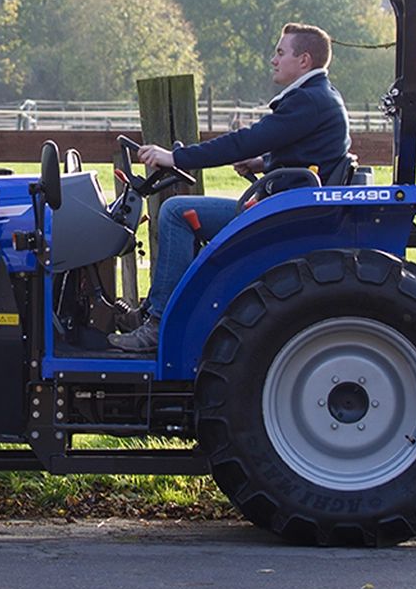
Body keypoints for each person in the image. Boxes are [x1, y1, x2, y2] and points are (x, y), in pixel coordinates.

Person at [109, 23, 351, 352]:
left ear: (304, 60)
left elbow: (242, 141)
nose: (273, 60)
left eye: (280, 52)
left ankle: (158, 322)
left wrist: (175, 156)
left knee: (175, 212)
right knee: (182, 214)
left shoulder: (307, 101)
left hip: (283, 211)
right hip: (287, 203)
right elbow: (309, 152)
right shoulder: (322, 97)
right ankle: (155, 311)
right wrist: (263, 164)